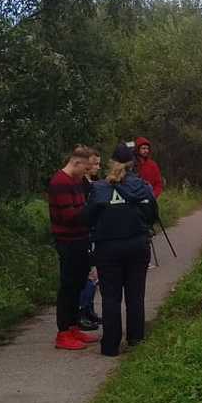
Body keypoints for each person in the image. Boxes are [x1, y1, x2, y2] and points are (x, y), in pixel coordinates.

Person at [86, 143, 158, 357]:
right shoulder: (142, 187)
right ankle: (136, 341)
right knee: (135, 296)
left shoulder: (99, 188)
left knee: (111, 297)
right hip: (137, 245)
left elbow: (88, 218)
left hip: (108, 249)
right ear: (132, 164)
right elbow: (152, 214)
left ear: (111, 163)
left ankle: (110, 346)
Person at [47, 145, 102, 350]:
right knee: (68, 286)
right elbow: (69, 216)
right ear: (76, 163)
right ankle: (63, 332)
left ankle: (72, 326)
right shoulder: (59, 182)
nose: (87, 173)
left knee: (79, 283)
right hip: (67, 241)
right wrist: (93, 213)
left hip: (80, 239)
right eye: (85, 169)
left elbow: (81, 207)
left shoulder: (76, 181)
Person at [77, 151, 102, 331]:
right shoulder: (82, 185)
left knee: (94, 275)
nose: (98, 168)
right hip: (87, 233)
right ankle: (82, 311)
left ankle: (90, 308)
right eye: (96, 164)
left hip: (95, 231)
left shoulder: (93, 183)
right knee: (89, 275)